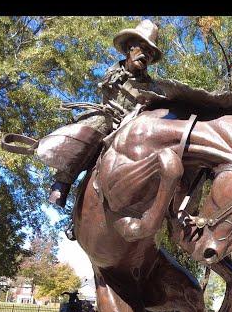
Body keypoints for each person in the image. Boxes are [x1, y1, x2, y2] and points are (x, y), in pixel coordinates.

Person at [47, 19, 164, 208]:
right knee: (96, 126)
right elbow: (109, 88)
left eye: (150, 53)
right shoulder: (114, 72)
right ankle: (62, 183)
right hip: (110, 120)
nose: (145, 55)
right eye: (141, 48)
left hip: (135, 126)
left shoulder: (153, 86)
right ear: (128, 48)